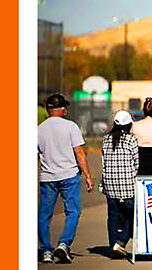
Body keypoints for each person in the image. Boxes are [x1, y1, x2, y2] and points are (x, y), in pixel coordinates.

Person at [38, 94, 94, 264]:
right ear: (61, 109)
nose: (66, 110)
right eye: (65, 107)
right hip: (69, 176)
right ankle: (64, 243)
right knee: (73, 212)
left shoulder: (38, 129)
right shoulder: (71, 126)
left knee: (44, 215)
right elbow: (79, 152)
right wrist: (88, 175)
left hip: (47, 177)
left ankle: (46, 250)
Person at [100, 111, 138, 258]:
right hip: (127, 184)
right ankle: (121, 242)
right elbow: (136, 163)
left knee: (113, 216)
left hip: (110, 183)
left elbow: (104, 161)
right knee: (132, 216)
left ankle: (113, 245)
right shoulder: (131, 140)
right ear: (128, 125)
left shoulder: (105, 139)